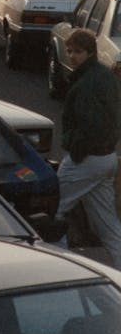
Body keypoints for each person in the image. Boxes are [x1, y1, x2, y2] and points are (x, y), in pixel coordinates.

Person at [52, 27, 121, 267]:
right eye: (69, 51)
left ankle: (59, 268)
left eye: (78, 52)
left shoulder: (85, 84)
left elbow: (90, 124)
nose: (72, 56)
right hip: (107, 158)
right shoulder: (105, 76)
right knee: (109, 226)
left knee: (53, 211)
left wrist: (75, 147)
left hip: (85, 159)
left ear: (90, 52)